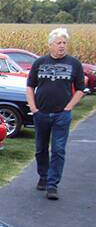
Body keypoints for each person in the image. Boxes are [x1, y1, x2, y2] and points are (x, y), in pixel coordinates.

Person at [27, 27, 86, 200]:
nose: (62, 46)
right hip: (41, 113)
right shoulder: (40, 63)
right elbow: (30, 86)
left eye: (64, 43)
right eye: (58, 43)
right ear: (50, 45)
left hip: (62, 114)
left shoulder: (74, 64)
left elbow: (81, 89)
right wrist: (33, 108)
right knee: (40, 148)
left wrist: (69, 107)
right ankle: (43, 177)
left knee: (59, 149)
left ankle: (52, 185)